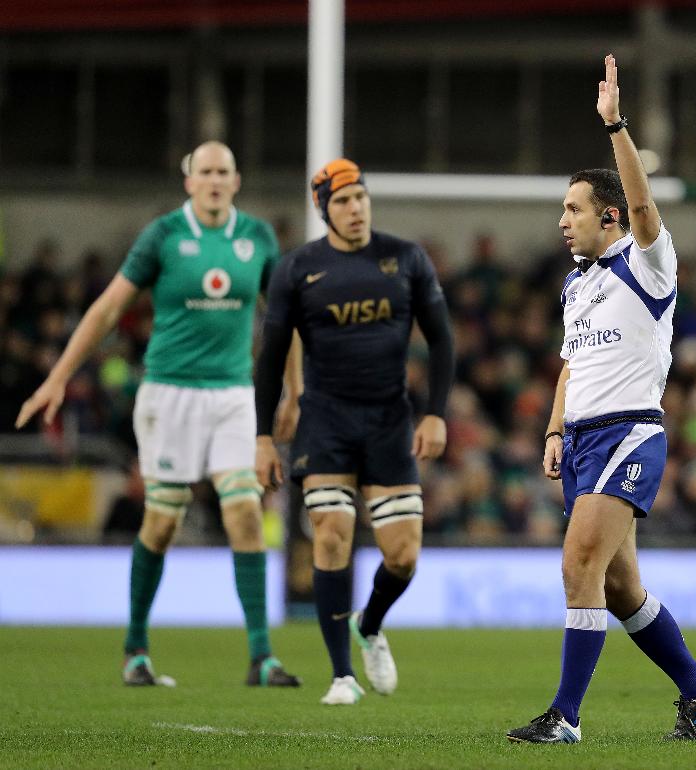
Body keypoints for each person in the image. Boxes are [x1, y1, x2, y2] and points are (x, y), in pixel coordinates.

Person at [16, 141, 302, 688]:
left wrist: (296, 391)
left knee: (245, 512)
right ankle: (135, 648)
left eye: (223, 171)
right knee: (163, 521)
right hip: (170, 393)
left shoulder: (257, 237)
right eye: (205, 172)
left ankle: (262, 657)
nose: (214, 180)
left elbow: (284, 318)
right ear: (189, 181)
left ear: (236, 181)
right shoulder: (164, 236)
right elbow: (108, 309)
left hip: (233, 394)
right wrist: (58, 377)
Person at [505, 55, 696, 745]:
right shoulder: (576, 286)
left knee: (579, 565)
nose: (562, 221)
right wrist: (553, 432)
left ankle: (565, 716)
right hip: (580, 440)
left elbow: (642, 206)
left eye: (573, 209)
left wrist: (616, 128)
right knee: (622, 588)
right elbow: (571, 364)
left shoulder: (647, 262)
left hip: (628, 434)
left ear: (608, 216)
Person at [254, 158, 454, 706]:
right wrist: (263, 436)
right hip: (326, 421)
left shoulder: (406, 258)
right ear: (324, 209)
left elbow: (441, 339)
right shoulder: (297, 269)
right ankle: (342, 675)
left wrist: (435, 412)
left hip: (389, 421)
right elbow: (271, 357)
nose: (355, 208)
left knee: (403, 555)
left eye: (360, 197)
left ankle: (370, 624)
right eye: (342, 201)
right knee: (331, 534)